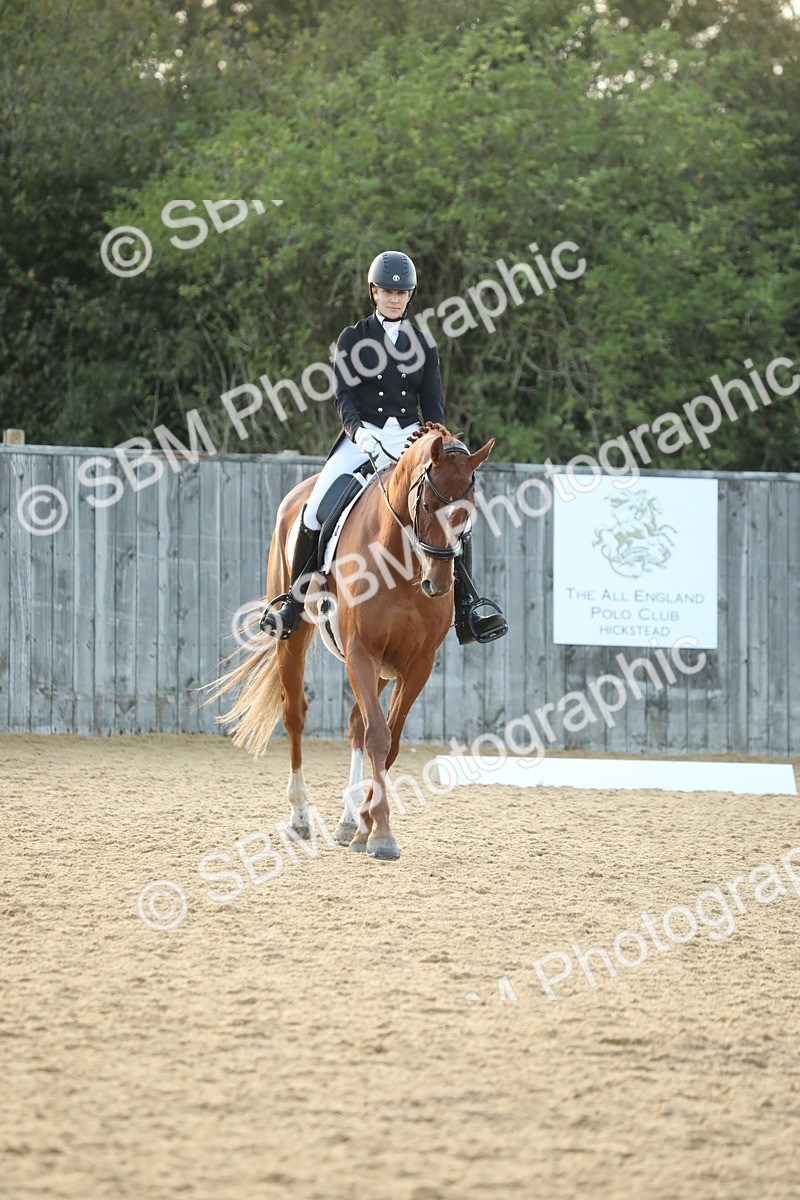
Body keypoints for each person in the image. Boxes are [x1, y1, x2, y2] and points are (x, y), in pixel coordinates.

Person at [260, 250, 507, 644]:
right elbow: (344, 396)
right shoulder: (353, 338)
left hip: (412, 441)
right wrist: (359, 433)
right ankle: (294, 599)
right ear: (373, 293)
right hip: (362, 439)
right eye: (387, 292)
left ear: (410, 296)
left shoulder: (423, 344)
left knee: (454, 510)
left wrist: (434, 436)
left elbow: (435, 403)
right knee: (315, 509)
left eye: (402, 293)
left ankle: (467, 607)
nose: (394, 298)